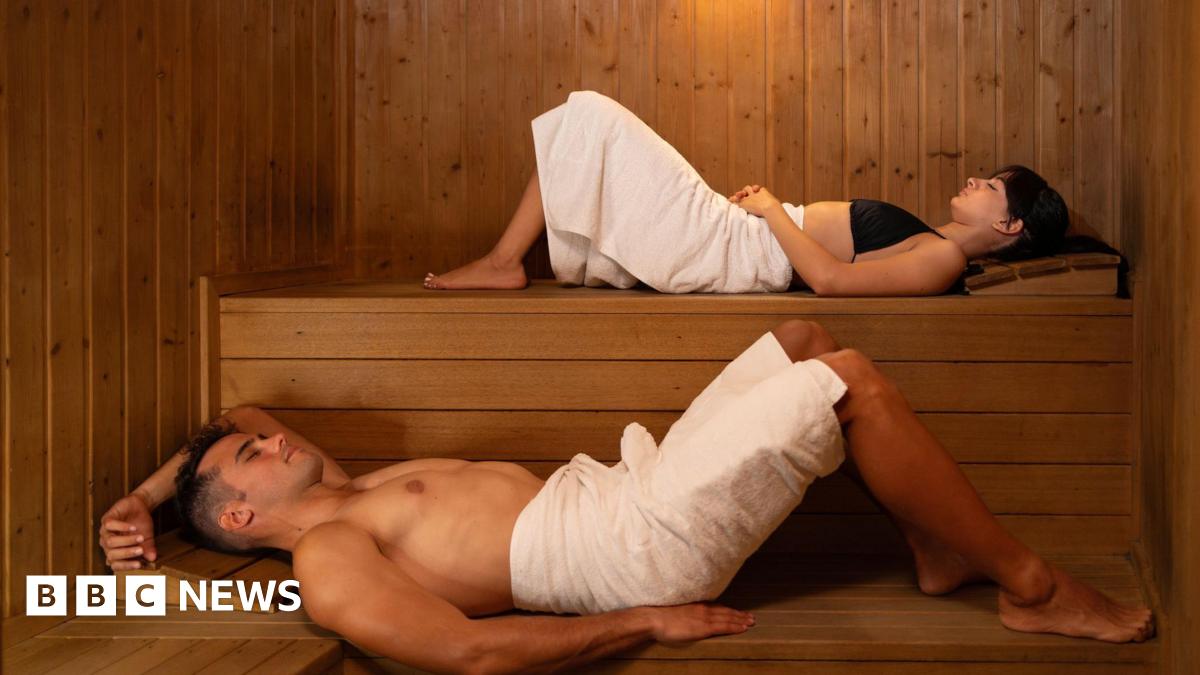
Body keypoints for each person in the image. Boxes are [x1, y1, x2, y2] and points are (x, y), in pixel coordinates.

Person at [101, 321, 1152, 674]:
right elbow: (469, 654)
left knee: (800, 339)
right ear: (242, 518)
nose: (270, 436)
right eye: (250, 455)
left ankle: (937, 549)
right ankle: (1027, 581)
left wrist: (149, 498)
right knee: (850, 380)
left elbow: (236, 401)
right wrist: (642, 620)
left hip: (625, 490)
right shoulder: (330, 559)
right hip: (631, 547)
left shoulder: (336, 489)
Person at [423, 90, 1069, 296]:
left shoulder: (946, 259)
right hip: (744, 238)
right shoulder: (932, 242)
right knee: (583, 118)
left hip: (745, 248)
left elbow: (833, 283)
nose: (974, 181)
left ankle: (505, 261)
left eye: (991, 187)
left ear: (1011, 225)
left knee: (589, 112)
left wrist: (770, 210)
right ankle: (505, 260)